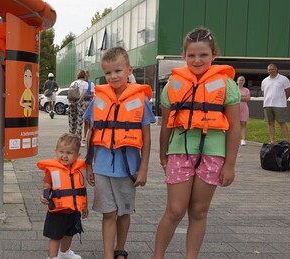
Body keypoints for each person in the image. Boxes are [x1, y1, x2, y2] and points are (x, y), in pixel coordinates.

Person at [152, 28, 241, 259]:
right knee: (174, 210)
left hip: (213, 155)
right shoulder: (173, 84)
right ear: (184, 56)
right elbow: (166, 125)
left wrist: (230, 164)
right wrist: (163, 155)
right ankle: (157, 256)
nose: (197, 60)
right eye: (191, 55)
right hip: (179, 152)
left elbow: (233, 128)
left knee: (199, 211)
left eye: (203, 55)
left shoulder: (226, 85)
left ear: (214, 55)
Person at [83, 46, 156, 259]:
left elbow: (146, 138)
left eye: (118, 71)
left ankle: (120, 249)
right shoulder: (99, 99)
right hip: (103, 168)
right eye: (108, 73)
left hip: (128, 169)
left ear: (129, 70)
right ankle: (108, 255)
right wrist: (88, 165)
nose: (113, 76)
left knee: (124, 212)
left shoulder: (140, 100)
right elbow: (91, 133)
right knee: (109, 213)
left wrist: (143, 169)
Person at [38, 133, 88, 259]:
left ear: (77, 155)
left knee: (69, 234)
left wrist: (85, 207)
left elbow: (82, 190)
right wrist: (43, 196)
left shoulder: (79, 171)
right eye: (61, 152)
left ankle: (64, 252)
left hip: (73, 211)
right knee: (55, 236)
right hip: (57, 211)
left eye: (69, 153)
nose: (64, 156)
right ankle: (53, 257)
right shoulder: (53, 170)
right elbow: (46, 186)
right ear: (56, 152)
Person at [261, 63, 290, 144]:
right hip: (267, 105)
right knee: (270, 123)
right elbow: (264, 93)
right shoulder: (264, 81)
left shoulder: (284, 79)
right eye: (269, 70)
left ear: (276, 69)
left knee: (282, 123)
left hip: (280, 105)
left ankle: (287, 141)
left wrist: (283, 99)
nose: (270, 71)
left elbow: (288, 92)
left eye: (272, 69)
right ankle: (272, 141)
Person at [68, 70, 89, 142]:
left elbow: (69, 94)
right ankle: (78, 140)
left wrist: (71, 102)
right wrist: (79, 101)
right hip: (80, 103)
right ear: (84, 76)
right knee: (79, 122)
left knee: (72, 121)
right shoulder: (85, 83)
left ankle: (71, 138)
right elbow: (83, 94)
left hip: (72, 103)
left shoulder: (73, 83)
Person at [82, 70, 95, 146]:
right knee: (84, 121)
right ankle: (84, 135)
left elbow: (92, 95)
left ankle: (87, 135)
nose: (85, 77)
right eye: (84, 75)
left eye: (86, 75)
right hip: (81, 103)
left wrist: (85, 96)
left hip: (88, 103)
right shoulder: (81, 83)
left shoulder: (91, 84)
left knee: (88, 120)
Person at [237, 75, 250, 145]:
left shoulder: (246, 90)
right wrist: (243, 97)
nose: (241, 81)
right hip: (236, 108)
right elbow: (233, 98)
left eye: (242, 80)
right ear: (237, 81)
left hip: (244, 109)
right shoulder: (234, 89)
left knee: (243, 124)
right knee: (236, 124)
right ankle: (236, 138)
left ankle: (243, 139)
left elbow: (248, 98)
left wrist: (239, 97)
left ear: (244, 82)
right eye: (240, 80)